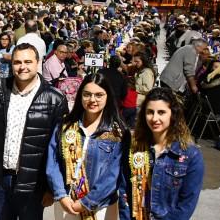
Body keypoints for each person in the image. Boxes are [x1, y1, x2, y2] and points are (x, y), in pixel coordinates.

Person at [0, 43, 69, 219]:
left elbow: (60, 150)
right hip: (1, 179)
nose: (22, 67)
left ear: (38, 63)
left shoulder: (55, 99)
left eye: (27, 61)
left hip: (34, 183)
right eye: (17, 62)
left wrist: (51, 188)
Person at [46, 73, 126, 220]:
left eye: (99, 95)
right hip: (67, 202)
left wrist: (86, 202)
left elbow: (113, 175)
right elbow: (53, 162)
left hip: (101, 206)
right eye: (87, 94)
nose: (92, 100)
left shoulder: (117, 133)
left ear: (107, 96)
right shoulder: (65, 126)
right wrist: (61, 195)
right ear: (80, 96)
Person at [119, 88, 204, 220]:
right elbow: (124, 191)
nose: (155, 118)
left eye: (161, 112)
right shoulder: (134, 147)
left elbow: (186, 205)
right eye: (150, 112)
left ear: (172, 114)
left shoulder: (191, 155)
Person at [129, 52, 156, 127]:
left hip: (141, 98)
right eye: (135, 61)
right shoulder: (140, 70)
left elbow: (148, 88)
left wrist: (135, 87)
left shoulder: (147, 72)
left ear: (143, 61)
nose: (135, 63)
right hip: (138, 96)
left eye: (137, 62)